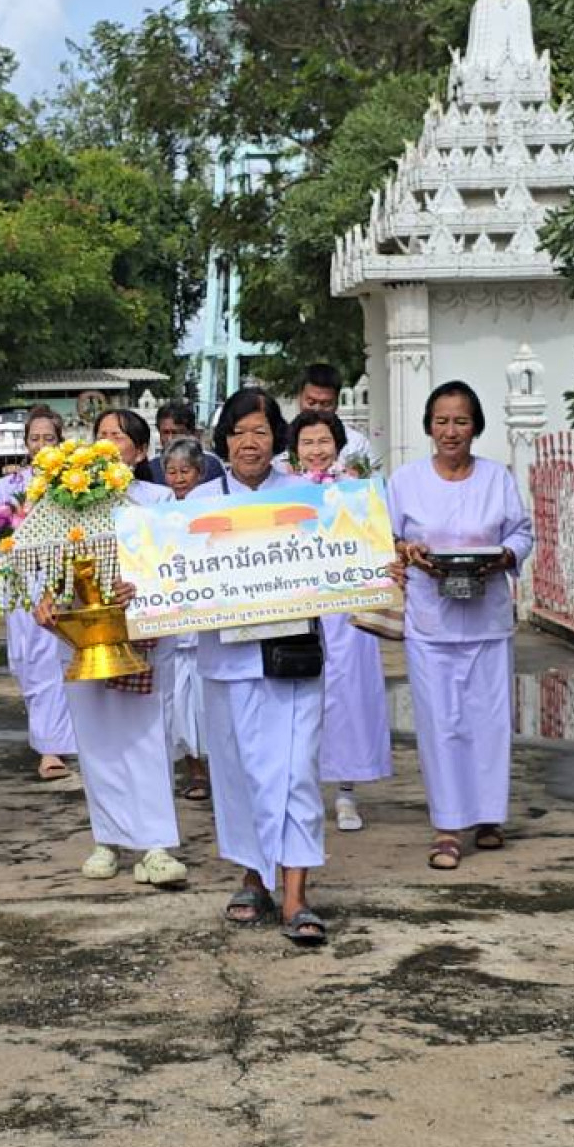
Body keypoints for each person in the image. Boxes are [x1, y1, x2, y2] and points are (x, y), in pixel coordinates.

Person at [194, 389, 331, 947]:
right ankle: (253, 877)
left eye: (260, 431)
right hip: (227, 662)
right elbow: (170, 572)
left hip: (290, 659)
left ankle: (296, 893)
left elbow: (341, 563)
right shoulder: (197, 502)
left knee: (296, 772)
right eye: (239, 432)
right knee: (240, 775)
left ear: (278, 438)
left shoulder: (306, 496)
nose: (249, 443)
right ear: (224, 439)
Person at [388, 381, 534, 871]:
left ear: (476, 427)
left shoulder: (497, 479)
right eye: (442, 421)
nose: (451, 431)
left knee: (489, 722)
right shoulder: (406, 481)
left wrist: (505, 556)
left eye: (461, 421)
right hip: (430, 622)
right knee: (440, 723)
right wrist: (407, 552)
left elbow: (521, 532)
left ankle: (489, 816)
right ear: (429, 426)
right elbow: (386, 537)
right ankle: (448, 827)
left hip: (487, 620)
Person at [32, 471, 190, 890]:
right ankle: (108, 839)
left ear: (136, 451)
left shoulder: (156, 500)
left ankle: (156, 846)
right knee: (96, 742)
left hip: (142, 638)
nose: (109, 446)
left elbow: (173, 563)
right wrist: (44, 601)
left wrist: (141, 588)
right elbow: (39, 568)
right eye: (102, 440)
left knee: (147, 739)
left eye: (119, 440)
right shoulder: (57, 502)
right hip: (81, 638)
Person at [288, 409, 389, 834]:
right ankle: (302, 792)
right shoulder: (284, 491)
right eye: (308, 443)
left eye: (324, 441)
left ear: (338, 446)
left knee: (347, 697)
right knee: (299, 701)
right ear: (295, 450)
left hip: (346, 609)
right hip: (299, 607)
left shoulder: (355, 489)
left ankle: (347, 792)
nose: (317, 450)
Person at [0, 406, 79, 779]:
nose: (41, 444)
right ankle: (51, 738)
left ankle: (51, 748)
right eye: (35, 438)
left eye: (49, 438)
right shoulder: (10, 485)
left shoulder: (75, 480)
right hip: (22, 580)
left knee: (55, 658)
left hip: (62, 577)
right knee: (27, 659)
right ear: (25, 442)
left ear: (60, 441)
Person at [156, 436, 212, 803]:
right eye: (172, 472)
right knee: (179, 704)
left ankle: (219, 769)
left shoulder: (212, 505)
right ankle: (195, 771)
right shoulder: (157, 511)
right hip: (172, 617)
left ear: (200, 472)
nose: (178, 479)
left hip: (206, 614)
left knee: (208, 703)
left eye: (185, 471)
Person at [286, 363, 372, 469]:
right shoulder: (280, 440)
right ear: (299, 398)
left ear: (337, 403)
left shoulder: (357, 443)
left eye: (325, 404)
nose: (317, 409)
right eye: (311, 402)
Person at [146, 399, 224, 484]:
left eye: (175, 433)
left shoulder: (211, 464)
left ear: (190, 433)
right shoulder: (151, 467)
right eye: (165, 432)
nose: (170, 439)